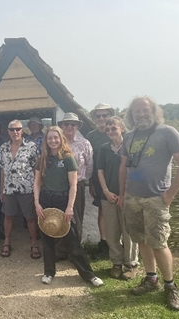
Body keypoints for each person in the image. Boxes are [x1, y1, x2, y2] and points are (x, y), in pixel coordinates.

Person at [119, 96, 179, 311]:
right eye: (137, 111)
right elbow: (123, 167)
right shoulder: (129, 136)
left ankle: (170, 286)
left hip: (155, 198)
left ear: (154, 111)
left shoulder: (167, 132)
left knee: (159, 242)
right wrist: (122, 195)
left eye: (145, 110)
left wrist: (169, 195)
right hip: (132, 198)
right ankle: (151, 278)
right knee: (141, 239)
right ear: (131, 115)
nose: (141, 114)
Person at [34, 126, 103, 287]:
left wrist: (70, 207)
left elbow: (73, 185)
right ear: (46, 140)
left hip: (63, 199)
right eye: (50, 138)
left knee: (71, 240)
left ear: (61, 139)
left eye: (55, 138)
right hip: (45, 200)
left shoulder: (68, 158)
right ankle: (49, 272)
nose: (53, 141)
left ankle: (88, 275)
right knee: (47, 238)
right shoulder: (42, 159)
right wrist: (37, 203)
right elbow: (37, 183)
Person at [96, 117, 139, 280]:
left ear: (122, 128)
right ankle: (116, 263)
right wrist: (106, 191)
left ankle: (131, 264)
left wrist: (125, 194)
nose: (111, 132)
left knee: (128, 230)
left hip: (128, 196)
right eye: (107, 130)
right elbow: (100, 171)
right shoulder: (104, 148)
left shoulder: (130, 147)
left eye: (113, 128)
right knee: (112, 230)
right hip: (108, 196)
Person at [0, 120, 41, 259]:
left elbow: (37, 170)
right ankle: (7, 242)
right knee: (8, 216)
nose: (15, 132)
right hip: (9, 189)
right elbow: (3, 170)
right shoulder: (3, 148)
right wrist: (1, 190)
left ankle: (34, 244)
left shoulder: (31, 147)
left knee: (30, 218)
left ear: (22, 130)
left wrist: (37, 190)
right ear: (8, 131)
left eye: (18, 129)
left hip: (27, 188)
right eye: (12, 129)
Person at [58, 113, 93, 247]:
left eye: (73, 124)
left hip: (77, 185)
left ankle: (75, 251)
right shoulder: (57, 142)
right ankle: (61, 250)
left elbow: (89, 165)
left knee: (76, 218)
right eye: (66, 124)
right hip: (59, 187)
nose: (69, 127)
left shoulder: (84, 143)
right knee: (60, 217)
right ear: (61, 126)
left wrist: (82, 180)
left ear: (78, 126)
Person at [87, 103, 115, 258]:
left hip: (117, 178)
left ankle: (119, 244)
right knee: (102, 211)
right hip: (99, 179)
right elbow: (90, 161)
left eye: (105, 115)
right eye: (98, 116)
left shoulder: (117, 132)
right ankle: (104, 244)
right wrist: (91, 182)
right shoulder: (91, 136)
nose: (102, 118)